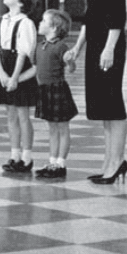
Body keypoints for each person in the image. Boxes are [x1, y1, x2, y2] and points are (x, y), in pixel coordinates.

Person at [65, 0, 127, 184]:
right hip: (97, 44)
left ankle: (117, 162)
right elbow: (91, 17)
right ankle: (109, 162)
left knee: (113, 104)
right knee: (104, 107)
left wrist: (109, 48)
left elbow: (117, 16)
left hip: (107, 45)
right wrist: (78, 47)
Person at [0, 0, 39, 173]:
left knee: (23, 114)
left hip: (19, 67)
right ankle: (14, 154)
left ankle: (26, 157)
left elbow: (24, 53)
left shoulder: (26, 23)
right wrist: (1, 73)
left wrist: (15, 77)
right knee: (10, 114)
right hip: (3, 66)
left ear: (22, 1)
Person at [34, 9, 78, 180]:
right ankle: (52, 162)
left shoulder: (60, 47)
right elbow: (36, 68)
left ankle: (61, 163)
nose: (40, 23)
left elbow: (71, 68)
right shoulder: (40, 46)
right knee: (52, 128)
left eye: (43, 21)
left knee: (62, 128)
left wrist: (70, 61)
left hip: (57, 89)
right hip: (44, 90)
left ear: (53, 28)